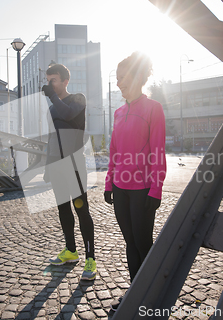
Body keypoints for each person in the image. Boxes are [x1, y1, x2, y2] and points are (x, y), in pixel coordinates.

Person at [104, 52, 167, 310]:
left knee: (143, 242)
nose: (118, 83)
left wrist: (156, 189)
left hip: (142, 190)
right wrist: (109, 184)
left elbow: (158, 152)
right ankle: (135, 293)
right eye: (117, 78)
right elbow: (114, 152)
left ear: (137, 77)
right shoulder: (118, 112)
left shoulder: (154, 109)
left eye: (122, 78)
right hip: (121, 189)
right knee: (130, 242)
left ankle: (152, 293)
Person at [42, 63, 96, 280]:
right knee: (63, 210)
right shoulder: (52, 108)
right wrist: (48, 165)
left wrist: (52, 97)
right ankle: (71, 251)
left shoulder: (78, 99)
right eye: (48, 81)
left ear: (65, 81)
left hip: (74, 165)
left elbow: (69, 115)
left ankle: (90, 259)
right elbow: (51, 138)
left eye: (53, 80)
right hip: (58, 166)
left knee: (82, 209)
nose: (50, 85)